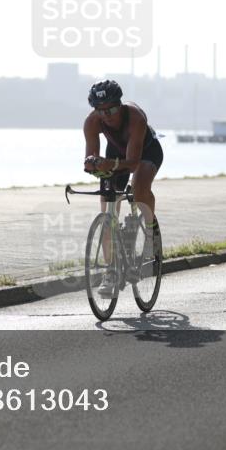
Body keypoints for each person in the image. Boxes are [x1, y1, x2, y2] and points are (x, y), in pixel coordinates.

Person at [82, 80, 163, 296]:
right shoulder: (91, 122)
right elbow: (91, 159)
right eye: (101, 111)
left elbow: (134, 162)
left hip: (145, 151)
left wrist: (112, 165)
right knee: (107, 212)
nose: (107, 115)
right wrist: (93, 165)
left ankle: (150, 228)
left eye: (112, 109)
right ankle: (111, 272)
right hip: (116, 152)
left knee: (138, 189)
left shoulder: (135, 117)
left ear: (120, 104)